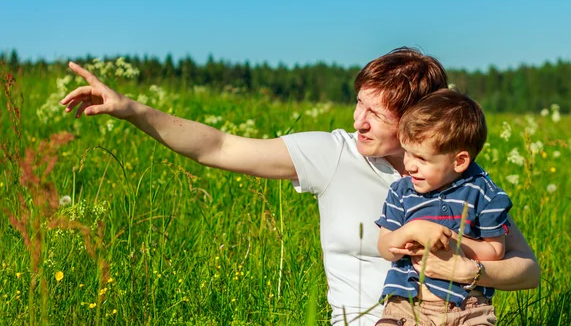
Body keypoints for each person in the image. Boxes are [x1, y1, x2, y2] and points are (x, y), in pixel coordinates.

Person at [60, 47, 539, 325]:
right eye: (358, 104)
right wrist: (132, 110)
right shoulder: (333, 153)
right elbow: (221, 147)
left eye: (375, 112)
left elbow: (527, 270)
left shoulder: (456, 177)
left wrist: (468, 272)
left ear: (417, 116)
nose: (359, 122)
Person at [376, 89, 511, 326]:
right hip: (407, 303)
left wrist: (448, 240)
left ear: (459, 161)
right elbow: (386, 248)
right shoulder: (401, 191)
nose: (409, 165)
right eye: (407, 152)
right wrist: (411, 230)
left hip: (468, 307)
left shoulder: (484, 193)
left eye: (422, 159)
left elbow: (495, 251)